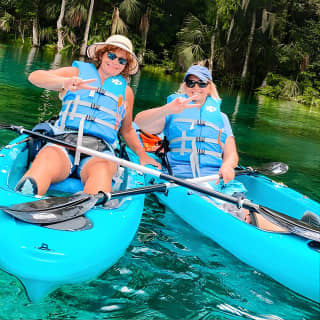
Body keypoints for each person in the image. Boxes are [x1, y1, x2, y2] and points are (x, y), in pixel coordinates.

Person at [135, 65, 286, 232]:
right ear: (185, 86)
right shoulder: (172, 111)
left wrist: (227, 165)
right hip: (182, 179)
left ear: (209, 87)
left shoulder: (221, 118)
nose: (196, 87)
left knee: (241, 205)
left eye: (202, 83)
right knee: (230, 210)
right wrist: (168, 109)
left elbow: (231, 154)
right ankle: (270, 227)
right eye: (191, 83)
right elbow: (139, 122)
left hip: (217, 180)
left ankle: (294, 229)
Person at [16, 34, 160, 196]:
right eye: (111, 56)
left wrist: (142, 155)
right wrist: (64, 83)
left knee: (102, 171)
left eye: (121, 60)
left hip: (100, 151)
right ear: (101, 54)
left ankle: (93, 203)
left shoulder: (126, 92)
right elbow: (35, 76)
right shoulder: (76, 72)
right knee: (46, 160)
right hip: (63, 142)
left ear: (126, 66)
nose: (115, 63)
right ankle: (24, 195)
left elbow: (126, 130)